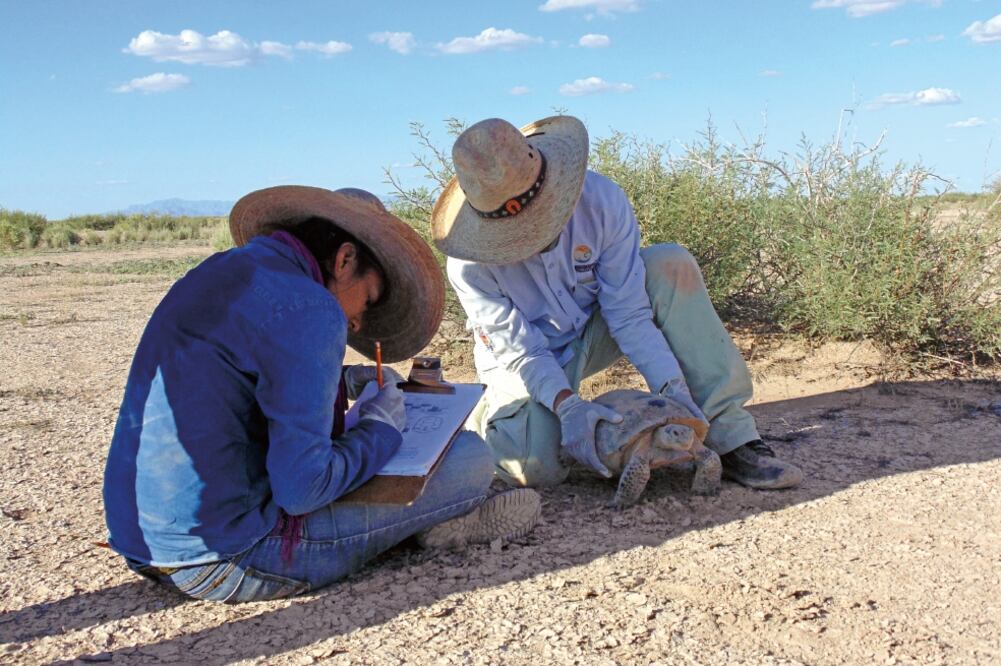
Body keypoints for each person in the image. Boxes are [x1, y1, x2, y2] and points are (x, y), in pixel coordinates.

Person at [103, 185, 541, 603]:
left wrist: (343, 380)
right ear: (345, 259)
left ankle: (418, 522)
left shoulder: (222, 272)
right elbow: (303, 489)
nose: (357, 322)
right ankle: (429, 523)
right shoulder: (310, 306)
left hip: (143, 545)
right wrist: (381, 429)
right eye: (368, 299)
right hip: (229, 557)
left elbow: (241, 376)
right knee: (468, 458)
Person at [431, 116, 804, 491]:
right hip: (526, 357)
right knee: (536, 468)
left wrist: (672, 388)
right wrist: (568, 406)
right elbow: (524, 353)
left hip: (594, 331)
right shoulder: (469, 266)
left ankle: (730, 435)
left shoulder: (602, 202)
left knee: (669, 264)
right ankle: (482, 416)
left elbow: (628, 314)